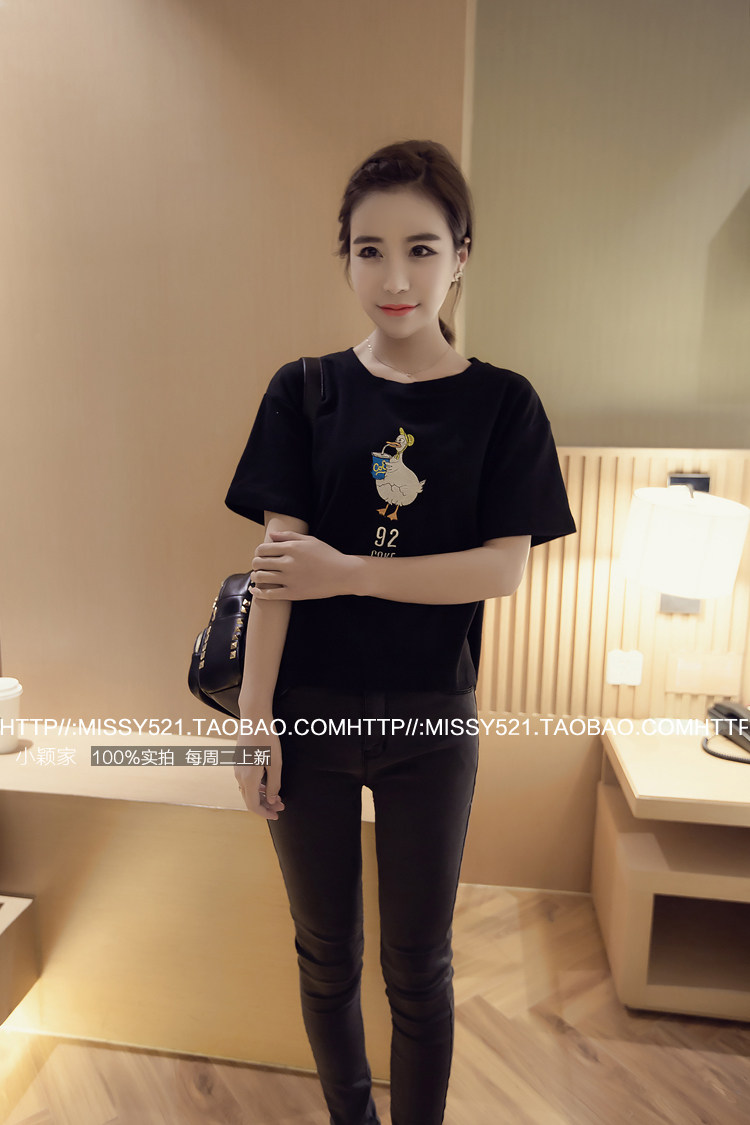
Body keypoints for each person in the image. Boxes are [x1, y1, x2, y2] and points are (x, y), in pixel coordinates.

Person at [225, 139, 576, 1125]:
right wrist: (253, 716)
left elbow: (502, 568)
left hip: (432, 720)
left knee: (419, 966)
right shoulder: (304, 390)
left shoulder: (504, 404)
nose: (395, 278)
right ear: (344, 255)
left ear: (460, 256)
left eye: (420, 249)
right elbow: (278, 570)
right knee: (326, 954)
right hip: (308, 717)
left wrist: (351, 571)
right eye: (369, 250)